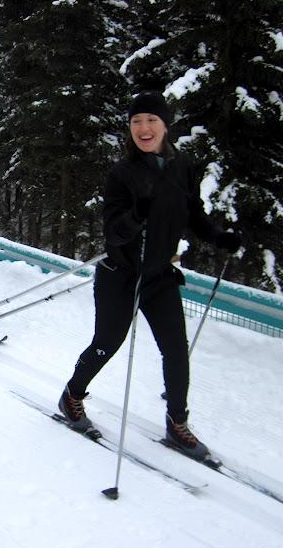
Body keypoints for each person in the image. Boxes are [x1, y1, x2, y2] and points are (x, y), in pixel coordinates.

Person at [57, 91, 241, 459]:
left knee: (176, 350)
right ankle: (72, 396)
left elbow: (194, 214)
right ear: (130, 128)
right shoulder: (122, 174)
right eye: (136, 121)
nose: (143, 128)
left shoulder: (182, 168)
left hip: (158, 276)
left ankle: (177, 423)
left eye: (151, 120)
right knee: (106, 343)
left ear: (165, 126)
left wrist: (219, 237)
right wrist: (136, 214)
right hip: (121, 274)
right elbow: (114, 234)